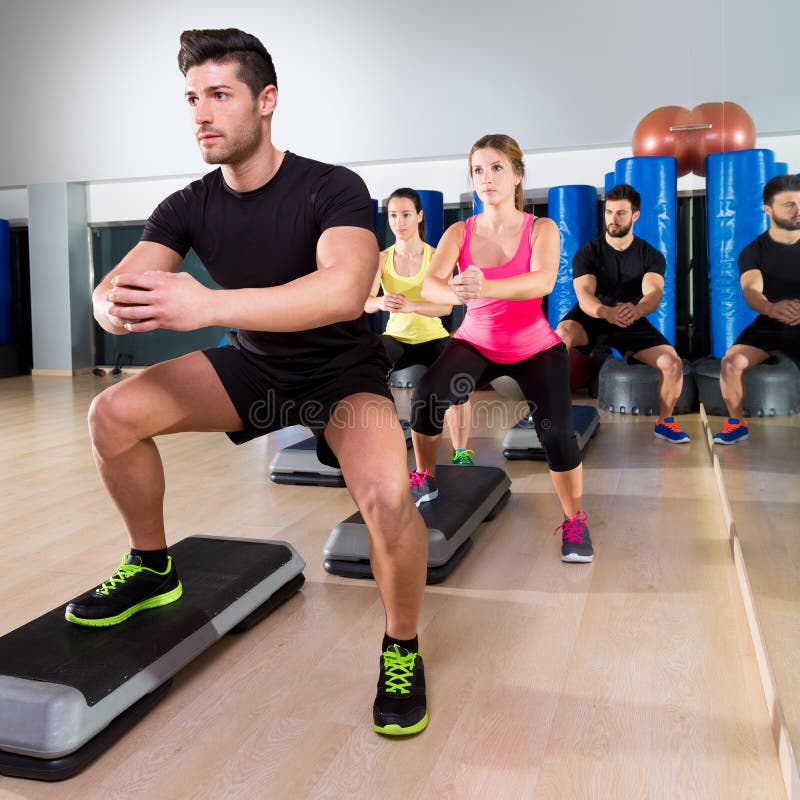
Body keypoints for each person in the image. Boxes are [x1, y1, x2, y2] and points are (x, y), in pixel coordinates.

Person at [66, 28, 429, 737]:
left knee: (388, 499)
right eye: (193, 98)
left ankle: (403, 644)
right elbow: (120, 283)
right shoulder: (188, 205)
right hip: (255, 366)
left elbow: (344, 291)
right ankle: (151, 567)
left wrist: (206, 305)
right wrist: (108, 302)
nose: (202, 114)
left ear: (266, 101)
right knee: (111, 414)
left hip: (341, 374)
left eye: (220, 96)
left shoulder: (331, 186)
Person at [409, 133, 593, 563]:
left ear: (517, 175)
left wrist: (483, 284)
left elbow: (542, 281)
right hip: (476, 340)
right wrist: (456, 291)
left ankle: (574, 519)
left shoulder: (541, 227)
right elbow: (432, 284)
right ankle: (425, 475)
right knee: (427, 397)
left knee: (557, 435)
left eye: (496, 168)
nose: (486, 178)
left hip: (534, 346)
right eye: (478, 169)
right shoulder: (460, 231)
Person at [555, 183, 690, 443]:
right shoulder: (588, 253)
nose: (612, 219)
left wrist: (638, 309)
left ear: (635, 215)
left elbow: (653, 293)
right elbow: (584, 295)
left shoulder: (651, 255)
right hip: (594, 316)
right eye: (608, 212)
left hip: (631, 318)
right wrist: (605, 312)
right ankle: (554, 415)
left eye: (620, 213)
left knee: (672, 363)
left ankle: (665, 423)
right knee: (561, 334)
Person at [365, 187, 474, 465]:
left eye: (405, 214)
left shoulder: (435, 256)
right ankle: (382, 443)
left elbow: (446, 307)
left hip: (432, 337)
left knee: (458, 381)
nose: (398, 222)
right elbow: (366, 302)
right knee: (368, 368)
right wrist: (380, 302)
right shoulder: (381, 259)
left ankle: (461, 450)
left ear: (419, 216)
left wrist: (410, 305)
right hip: (396, 337)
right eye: (392, 215)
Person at [713, 174, 800, 444]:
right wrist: (771, 308)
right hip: (771, 321)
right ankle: (736, 424)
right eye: (789, 205)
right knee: (730, 363)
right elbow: (751, 290)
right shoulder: (753, 251)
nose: (798, 210)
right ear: (768, 209)